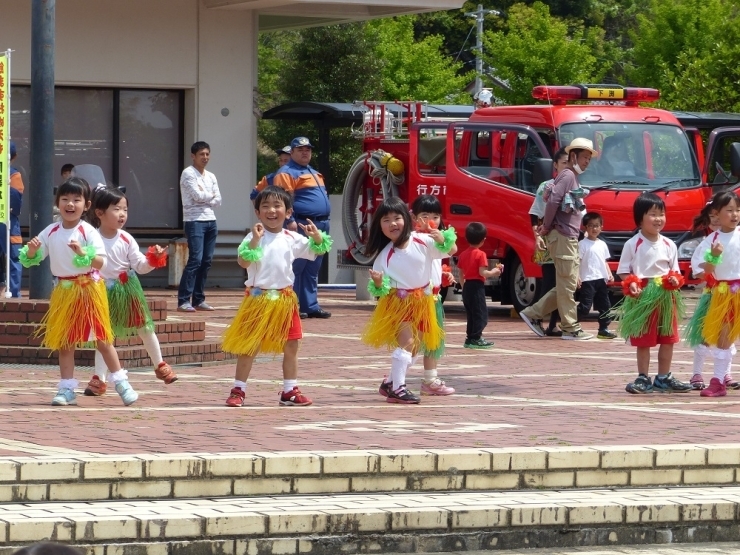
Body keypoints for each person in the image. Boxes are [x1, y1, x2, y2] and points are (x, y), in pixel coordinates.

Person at [18, 177, 139, 406]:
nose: (70, 204)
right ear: (58, 203)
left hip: (89, 289)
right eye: (65, 199)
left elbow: (101, 263)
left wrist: (83, 253)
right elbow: (30, 259)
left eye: (76, 199)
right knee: (65, 341)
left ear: (87, 205)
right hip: (64, 290)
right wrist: (32, 251)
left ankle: (122, 383)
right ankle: (66, 389)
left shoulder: (88, 232)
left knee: (103, 339)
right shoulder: (51, 231)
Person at [221, 185, 332, 408]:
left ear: (288, 212)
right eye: (266, 206)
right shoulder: (253, 237)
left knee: (292, 345)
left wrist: (317, 236)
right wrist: (254, 240)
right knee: (249, 346)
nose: (272, 210)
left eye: (277, 205)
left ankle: (290, 390)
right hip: (257, 299)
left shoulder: (292, 237)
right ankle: (238, 390)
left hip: (285, 299)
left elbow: (318, 250)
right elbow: (243, 262)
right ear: (257, 212)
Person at [83, 187, 178, 397]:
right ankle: (99, 378)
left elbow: (141, 266)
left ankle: (160, 365)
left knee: (145, 327)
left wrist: (154, 258)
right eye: (116, 209)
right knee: (103, 337)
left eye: (125, 209)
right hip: (100, 291)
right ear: (99, 213)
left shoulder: (126, 238)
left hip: (127, 289)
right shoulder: (91, 238)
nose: (122, 214)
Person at [362, 197, 455, 404]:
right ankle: (398, 388)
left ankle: (391, 382)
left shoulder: (423, 241)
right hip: (398, 302)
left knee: (416, 344)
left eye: (397, 218)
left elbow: (451, 251)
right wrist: (377, 283)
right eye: (386, 220)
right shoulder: (384, 256)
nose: (393, 223)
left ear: (407, 218)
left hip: (423, 301)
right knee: (408, 341)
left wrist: (442, 239)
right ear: (379, 226)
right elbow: (380, 290)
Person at [519, 137, 596, 340]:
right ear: (573, 156)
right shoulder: (568, 176)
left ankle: (532, 313)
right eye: (585, 157)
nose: (587, 161)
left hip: (566, 237)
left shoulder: (570, 176)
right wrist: (546, 226)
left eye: (589, 158)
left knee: (565, 285)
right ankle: (570, 328)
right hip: (563, 236)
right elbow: (553, 201)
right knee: (567, 285)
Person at [615, 193, 691, 394]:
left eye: (662, 214)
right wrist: (631, 283)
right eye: (653, 214)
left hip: (666, 295)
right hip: (643, 295)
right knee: (644, 339)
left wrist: (675, 280)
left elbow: (674, 271)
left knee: (668, 338)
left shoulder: (669, 244)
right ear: (640, 218)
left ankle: (664, 377)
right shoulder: (633, 244)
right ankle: (643, 377)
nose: (658, 219)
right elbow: (623, 270)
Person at [265, 136, 332, 319]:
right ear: (292, 152)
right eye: (300, 149)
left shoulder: (312, 171)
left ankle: (310, 305)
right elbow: (283, 200)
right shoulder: (287, 172)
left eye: (308, 149)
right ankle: (292, 304)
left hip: (320, 223)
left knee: (313, 266)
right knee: (297, 266)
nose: (305, 152)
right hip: (302, 223)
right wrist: (290, 220)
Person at [684, 190, 740, 397]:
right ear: (716, 213)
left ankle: (721, 378)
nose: (735, 215)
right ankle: (717, 381)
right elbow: (702, 271)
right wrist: (714, 256)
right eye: (729, 210)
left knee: (727, 338)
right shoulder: (711, 241)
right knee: (722, 337)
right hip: (723, 295)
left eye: (738, 210)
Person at [410, 195, 457, 395]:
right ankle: (397, 374)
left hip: (434, 298)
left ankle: (430, 379)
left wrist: (442, 239)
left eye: (436, 216)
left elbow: (453, 249)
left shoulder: (439, 238)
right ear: (414, 217)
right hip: (417, 298)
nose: (431, 220)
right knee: (414, 339)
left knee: (432, 341)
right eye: (425, 215)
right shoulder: (412, 238)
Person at [528, 147, 568, 336]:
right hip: (548, 238)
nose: (567, 167)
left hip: (568, 240)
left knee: (563, 282)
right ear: (555, 165)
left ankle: (554, 323)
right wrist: (537, 237)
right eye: (564, 163)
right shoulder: (547, 186)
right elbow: (535, 213)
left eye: (571, 163)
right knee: (550, 282)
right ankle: (536, 317)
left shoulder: (575, 186)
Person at [178, 141, 221, 312]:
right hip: (194, 221)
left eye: (207, 154)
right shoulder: (188, 173)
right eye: (202, 154)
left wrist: (208, 197)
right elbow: (196, 196)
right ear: (193, 156)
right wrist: (210, 196)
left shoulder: (211, 176)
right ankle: (183, 300)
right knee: (195, 259)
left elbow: (219, 200)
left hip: (211, 220)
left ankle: (198, 299)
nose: (205, 157)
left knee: (206, 261)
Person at [457, 222, 503, 349]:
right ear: (483, 240)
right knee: (481, 314)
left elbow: (460, 274)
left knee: (471, 314)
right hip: (477, 286)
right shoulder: (481, 254)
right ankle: (476, 338)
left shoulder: (462, 254)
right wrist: (495, 272)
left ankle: (470, 338)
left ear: (466, 238)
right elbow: (482, 272)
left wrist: (463, 287)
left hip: (467, 286)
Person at [577, 212, 616, 339]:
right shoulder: (582, 244)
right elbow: (577, 262)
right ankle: (570, 324)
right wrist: (577, 276)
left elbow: (604, 261)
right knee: (585, 307)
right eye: (591, 226)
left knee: (605, 306)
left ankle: (603, 329)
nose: (594, 229)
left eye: (597, 226)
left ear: (601, 227)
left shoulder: (602, 244)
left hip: (601, 279)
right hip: (587, 280)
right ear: (585, 228)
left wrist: (609, 274)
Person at [0, 141, 24, 297]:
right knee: (14, 256)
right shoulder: (14, 174)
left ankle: (13, 294)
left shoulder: (13, 174)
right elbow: (16, 200)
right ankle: (14, 294)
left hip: (8, 220)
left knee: (14, 255)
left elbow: (14, 200)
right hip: (9, 220)